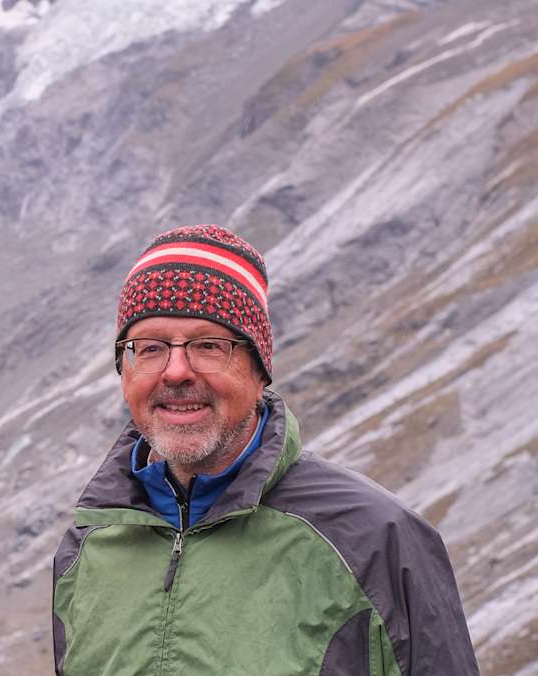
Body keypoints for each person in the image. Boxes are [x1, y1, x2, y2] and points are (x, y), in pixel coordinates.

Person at [51, 225, 478, 675]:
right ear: (124, 371)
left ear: (259, 370)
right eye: (151, 348)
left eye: (209, 346)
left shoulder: (375, 540)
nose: (176, 372)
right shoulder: (87, 547)